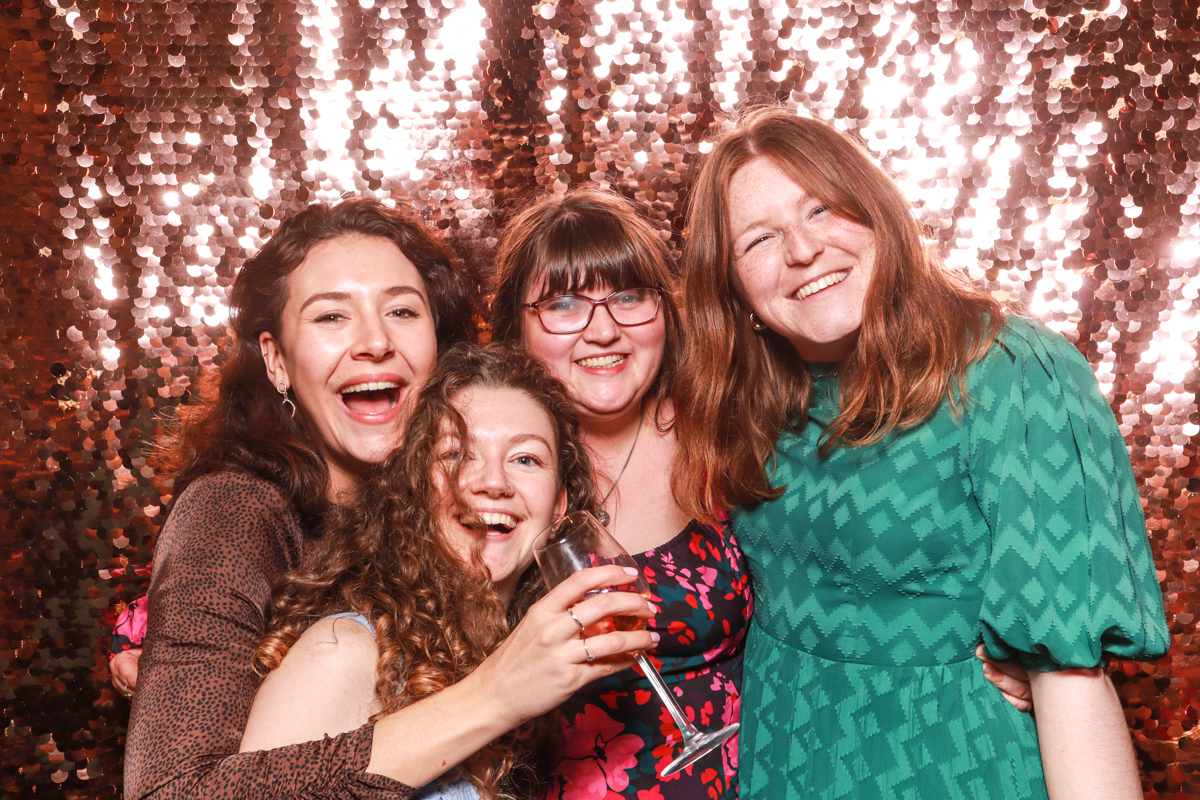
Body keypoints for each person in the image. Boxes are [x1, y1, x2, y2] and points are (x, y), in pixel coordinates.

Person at [672, 106, 1170, 799]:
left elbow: (1069, 675)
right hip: (785, 755)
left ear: (878, 213)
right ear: (734, 292)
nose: (802, 250)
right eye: (758, 240)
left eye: (821, 209)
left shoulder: (1011, 373)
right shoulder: (750, 395)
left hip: (946, 761)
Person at [123, 198, 477, 799]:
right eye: (331, 317)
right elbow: (169, 791)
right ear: (277, 360)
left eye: (401, 310)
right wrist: (493, 699)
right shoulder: (233, 510)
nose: (374, 341)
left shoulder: (452, 509)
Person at [239, 342, 656, 800]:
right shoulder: (344, 652)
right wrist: (498, 696)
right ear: (415, 489)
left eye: (525, 459)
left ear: (558, 509)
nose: (493, 482)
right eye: (457, 454)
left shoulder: (509, 663)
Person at [489, 188, 750, 800]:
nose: (604, 330)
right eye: (564, 304)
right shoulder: (481, 466)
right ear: (516, 328)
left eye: (630, 297)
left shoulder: (723, 430)